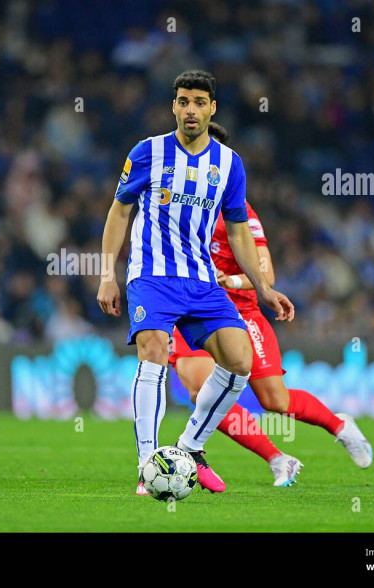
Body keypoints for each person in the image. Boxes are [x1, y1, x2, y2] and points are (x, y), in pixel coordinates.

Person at [97, 70, 295, 495]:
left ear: (212, 108)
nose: (191, 110)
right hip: (151, 275)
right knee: (152, 353)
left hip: (202, 281)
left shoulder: (229, 163)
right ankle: (148, 464)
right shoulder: (148, 152)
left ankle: (188, 447)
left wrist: (263, 288)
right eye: (184, 101)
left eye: (199, 102)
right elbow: (119, 212)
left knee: (240, 360)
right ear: (173, 106)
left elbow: (240, 231)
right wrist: (106, 274)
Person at [168, 121, 374, 489]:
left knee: (274, 400)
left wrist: (228, 280)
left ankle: (340, 426)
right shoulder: (173, 200)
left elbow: (266, 272)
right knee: (201, 391)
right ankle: (278, 458)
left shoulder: (238, 211)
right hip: (189, 309)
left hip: (238, 311)